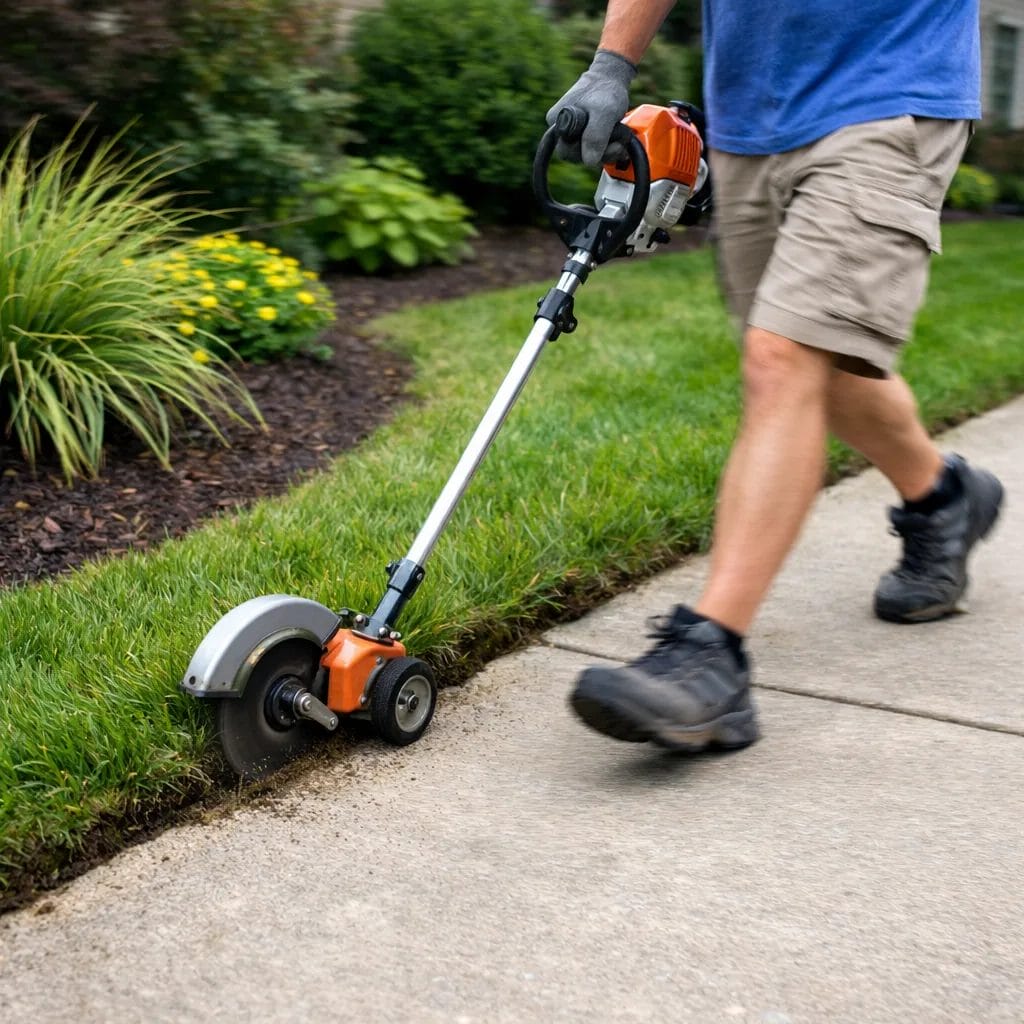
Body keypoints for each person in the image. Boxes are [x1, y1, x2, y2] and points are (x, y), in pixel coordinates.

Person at [549, 0, 1004, 753]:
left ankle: (709, 657)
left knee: (783, 355)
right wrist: (611, 63)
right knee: (816, 364)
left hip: (890, 92)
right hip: (751, 114)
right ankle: (945, 498)